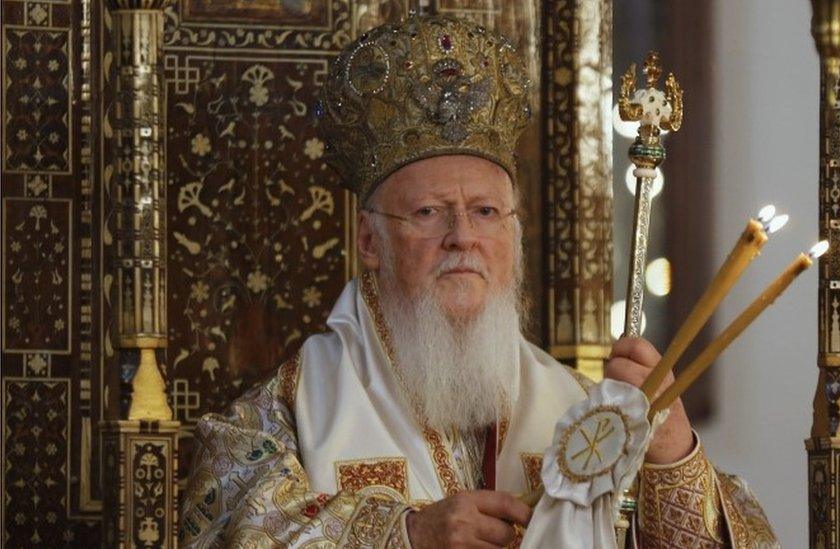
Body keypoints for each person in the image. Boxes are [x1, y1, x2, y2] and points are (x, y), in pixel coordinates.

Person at [179, 14, 777, 548]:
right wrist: (406, 535)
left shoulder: (584, 409)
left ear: (513, 236)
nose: (462, 236)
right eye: (428, 212)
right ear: (370, 242)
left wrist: (672, 453)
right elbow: (230, 528)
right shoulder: (285, 413)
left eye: (486, 212)